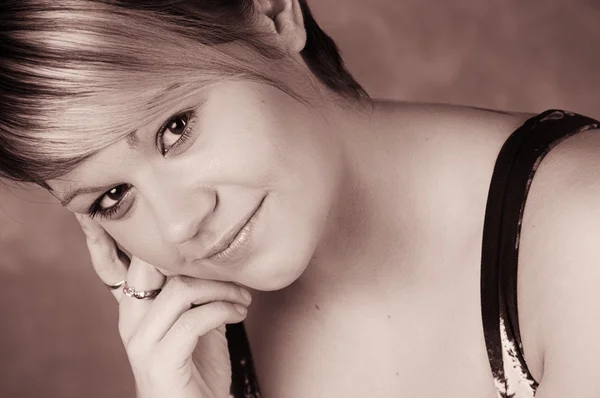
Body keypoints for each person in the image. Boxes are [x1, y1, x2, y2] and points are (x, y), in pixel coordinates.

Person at [1, 1, 599, 397]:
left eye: (176, 128)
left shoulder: (582, 233)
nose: (181, 224)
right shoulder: (200, 346)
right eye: (111, 197)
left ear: (271, 13)